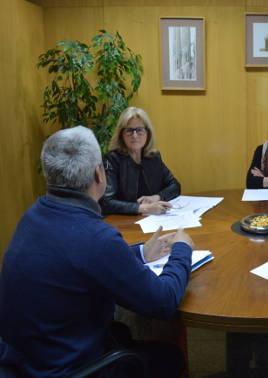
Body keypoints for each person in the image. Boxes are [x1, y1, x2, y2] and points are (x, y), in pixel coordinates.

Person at [0, 126, 194, 377]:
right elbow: (164, 302)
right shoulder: (96, 237)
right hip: (68, 368)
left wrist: (142, 253)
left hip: (28, 356)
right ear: (99, 174)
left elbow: (77, 261)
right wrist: (181, 249)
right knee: (170, 357)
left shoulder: (34, 215)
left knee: (122, 332)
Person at [100, 107, 180, 215]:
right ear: (121, 134)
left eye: (139, 130)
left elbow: (175, 186)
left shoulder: (153, 157)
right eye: (129, 130)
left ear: (148, 133)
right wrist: (143, 208)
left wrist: (156, 197)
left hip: (154, 219)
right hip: (124, 222)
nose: (135, 135)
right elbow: (106, 202)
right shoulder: (113, 160)